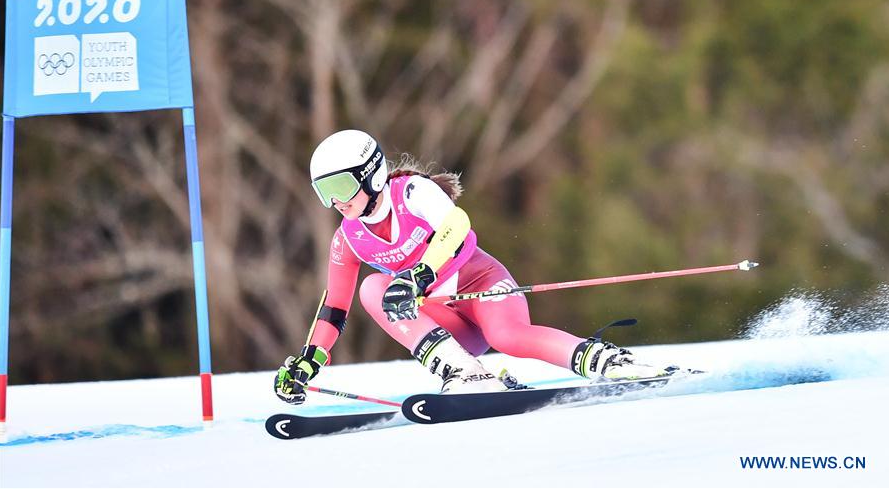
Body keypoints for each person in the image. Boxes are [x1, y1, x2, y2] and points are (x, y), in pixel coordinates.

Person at [274, 129, 672, 405]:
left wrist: (420, 275)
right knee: (371, 289)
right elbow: (334, 308)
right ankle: (465, 373)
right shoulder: (348, 238)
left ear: (371, 173)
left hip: (480, 284)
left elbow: (455, 226)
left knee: (509, 337)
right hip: (446, 321)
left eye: (340, 188)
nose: (335, 202)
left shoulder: (411, 192)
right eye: (323, 193)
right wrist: (310, 360)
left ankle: (613, 363)